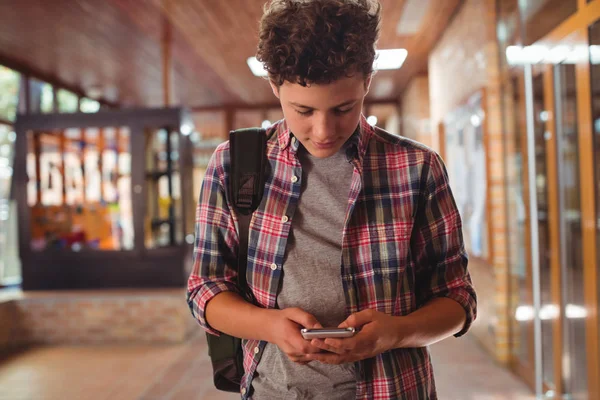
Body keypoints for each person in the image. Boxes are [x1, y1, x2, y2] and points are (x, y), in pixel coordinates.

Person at [187, 0, 477, 399]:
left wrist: (397, 332)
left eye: (344, 108)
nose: (323, 130)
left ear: (367, 82)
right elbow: (205, 289)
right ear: (274, 86)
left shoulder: (417, 167)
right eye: (302, 110)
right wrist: (269, 326)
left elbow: (457, 297)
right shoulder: (234, 164)